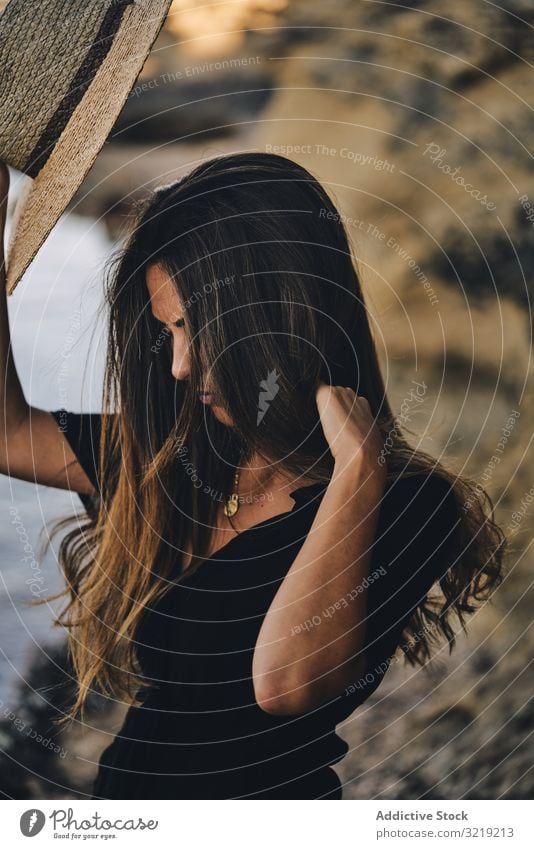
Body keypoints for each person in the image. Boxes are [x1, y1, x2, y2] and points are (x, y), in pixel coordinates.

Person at [0, 153, 506, 800]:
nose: (178, 366)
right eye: (168, 333)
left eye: (195, 330)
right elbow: (9, 433)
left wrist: (357, 473)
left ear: (273, 314)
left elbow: (286, 684)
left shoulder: (406, 504)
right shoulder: (178, 457)